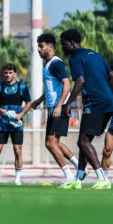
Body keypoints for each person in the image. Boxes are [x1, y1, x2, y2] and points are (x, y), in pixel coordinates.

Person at [60, 28, 113, 190]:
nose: (63, 48)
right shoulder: (95, 54)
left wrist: (68, 103)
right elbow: (112, 76)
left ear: (72, 43)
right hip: (108, 102)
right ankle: (77, 180)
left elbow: (80, 81)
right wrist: (108, 94)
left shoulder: (75, 58)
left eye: (64, 44)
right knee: (84, 143)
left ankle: (102, 178)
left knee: (83, 142)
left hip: (96, 103)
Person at [31, 33, 80, 187]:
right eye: (38, 46)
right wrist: (40, 100)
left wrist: (59, 105)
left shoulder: (56, 63)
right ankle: (80, 168)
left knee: (50, 144)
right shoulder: (48, 65)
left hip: (58, 109)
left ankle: (69, 176)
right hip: (55, 107)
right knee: (56, 143)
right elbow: (53, 87)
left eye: (41, 46)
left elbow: (67, 84)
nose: (38, 49)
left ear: (50, 47)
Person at [0, 63, 32, 186]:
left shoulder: (22, 87)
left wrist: (21, 114)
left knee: (17, 150)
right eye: (6, 73)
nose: (8, 75)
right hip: (2, 123)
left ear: (15, 74)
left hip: (16, 124)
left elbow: (29, 103)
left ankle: (17, 179)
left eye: (10, 73)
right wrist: (0, 110)